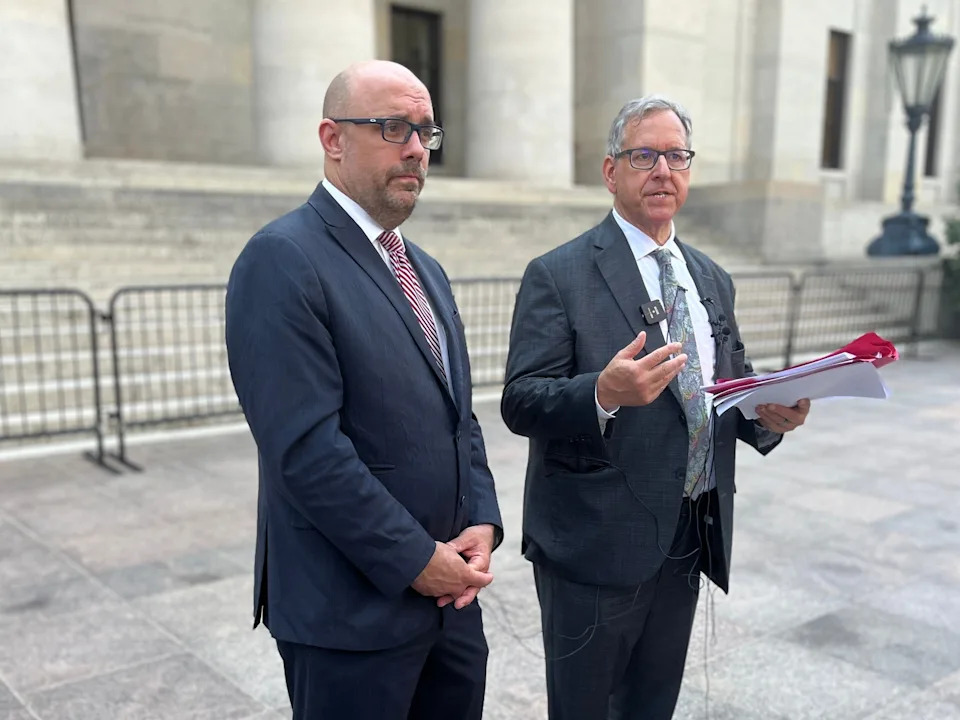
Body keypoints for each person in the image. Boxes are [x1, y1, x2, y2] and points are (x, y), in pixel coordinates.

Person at [500, 95, 810, 720]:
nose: (663, 170)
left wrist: (766, 411)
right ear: (612, 172)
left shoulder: (712, 277)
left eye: (676, 156)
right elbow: (520, 400)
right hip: (594, 542)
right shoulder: (558, 274)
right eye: (645, 155)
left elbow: (730, 383)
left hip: (690, 533)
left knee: (651, 706)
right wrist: (601, 393)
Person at [225, 60, 502, 720]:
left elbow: (457, 416)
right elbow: (306, 452)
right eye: (392, 126)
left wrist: (483, 523)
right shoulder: (282, 259)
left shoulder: (423, 267)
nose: (414, 148)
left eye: (425, 132)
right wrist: (414, 559)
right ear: (332, 138)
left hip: (451, 610)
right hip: (348, 619)